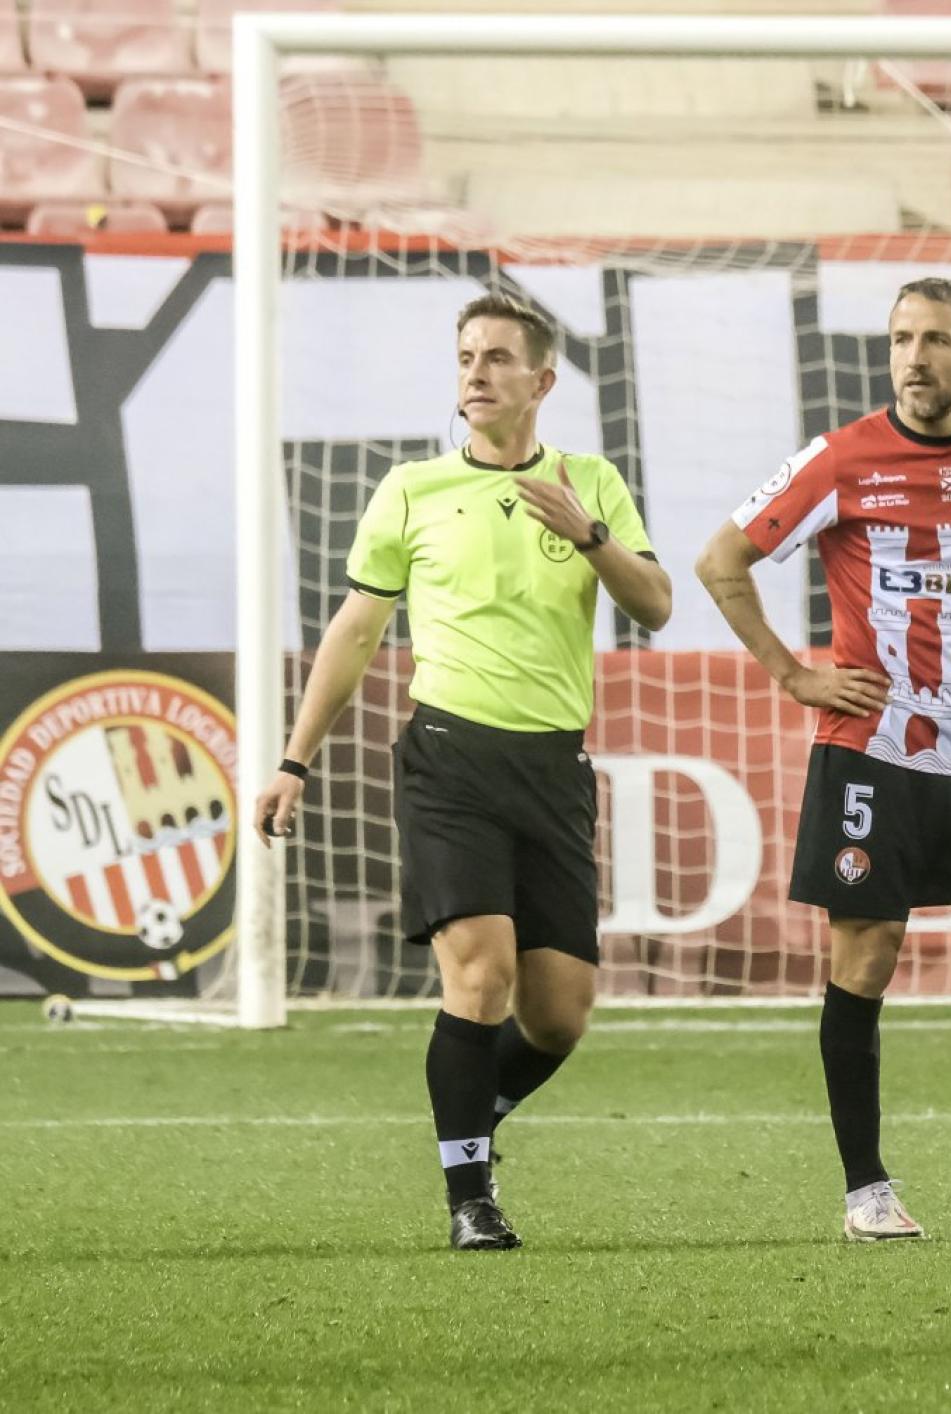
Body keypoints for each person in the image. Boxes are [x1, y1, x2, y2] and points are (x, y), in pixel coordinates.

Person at [251, 294, 672, 1251]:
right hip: (449, 761)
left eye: (496, 358)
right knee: (477, 978)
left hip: (554, 770)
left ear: (542, 381)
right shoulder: (412, 489)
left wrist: (592, 534)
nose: (475, 374)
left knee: (558, 1017)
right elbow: (356, 632)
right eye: (465, 358)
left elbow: (654, 606)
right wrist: (292, 760)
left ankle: (471, 1123)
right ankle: (468, 1200)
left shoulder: (590, 481)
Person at [694, 277, 951, 1245]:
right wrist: (792, 674)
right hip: (869, 756)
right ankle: (865, 1191)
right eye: (900, 339)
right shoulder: (843, 458)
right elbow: (721, 558)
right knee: (866, 958)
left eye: (936, 339)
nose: (915, 357)